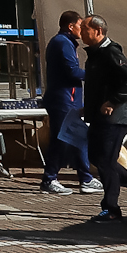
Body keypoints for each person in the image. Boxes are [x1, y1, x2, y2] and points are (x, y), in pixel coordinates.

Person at [81, 14, 127, 222]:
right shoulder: (95, 54)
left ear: (98, 31)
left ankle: (111, 208)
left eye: (85, 29)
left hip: (113, 119)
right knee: (97, 158)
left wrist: (112, 101)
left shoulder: (111, 53)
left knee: (105, 161)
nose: (81, 33)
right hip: (98, 116)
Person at [38, 11, 99, 196]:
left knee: (77, 138)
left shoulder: (66, 43)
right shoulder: (62, 43)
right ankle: (50, 179)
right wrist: (96, 75)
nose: (83, 31)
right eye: (81, 26)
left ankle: (85, 178)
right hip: (63, 99)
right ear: (71, 26)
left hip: (68, 99)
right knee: (61, 140)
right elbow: (72, 71)